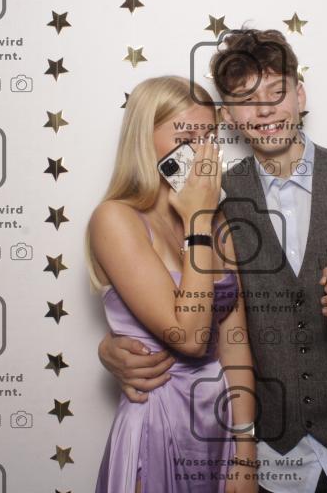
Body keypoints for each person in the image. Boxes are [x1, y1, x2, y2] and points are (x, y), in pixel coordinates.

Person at [99, 29, 327, 493]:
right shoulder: (213, 199)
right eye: (247, 100)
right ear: (229, 117)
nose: (265, 110)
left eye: (276, 92)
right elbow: (191, 310)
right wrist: (116, 344)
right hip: (271, 458)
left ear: (300, 95)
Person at [86, 76, 258, 493]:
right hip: (159, 422)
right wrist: (197, 220)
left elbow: (234, 344)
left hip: (218, 425)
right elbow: (192, 337)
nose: (200, 152)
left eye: (208, 138)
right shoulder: (116, 218)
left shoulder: (220, 224)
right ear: (144, 140)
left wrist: (245, 450)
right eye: (185, 138)